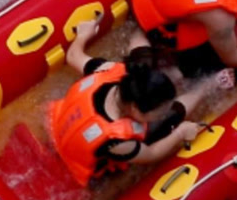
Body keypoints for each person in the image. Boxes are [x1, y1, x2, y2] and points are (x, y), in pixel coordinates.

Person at [49, 19, 206, 187]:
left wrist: (83, 35)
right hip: (77, 165)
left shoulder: (107, 70)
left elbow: (73, 56)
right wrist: (181, 133)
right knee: (166, 122)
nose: (161, 112)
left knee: (139, 64)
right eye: (158, 111)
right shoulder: (118, 142)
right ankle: (206, 86)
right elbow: (151, 154)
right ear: (135, 108)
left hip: (57, 126)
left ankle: (141, 25)